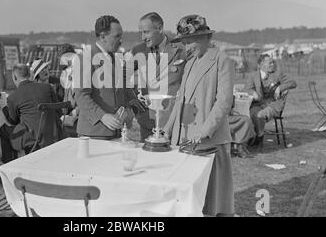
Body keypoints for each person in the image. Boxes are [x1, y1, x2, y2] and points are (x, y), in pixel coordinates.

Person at [163, 15, 234, 216]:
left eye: (188, 42)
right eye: (184, 43)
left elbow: (224, 102)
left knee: (212, 201)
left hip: (208, 142)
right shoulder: (191, 63)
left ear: (204, 38)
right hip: (183, 139)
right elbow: (180, 100)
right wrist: (166, 129)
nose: (186, 48)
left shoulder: (222, 60)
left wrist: (205, 130)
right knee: (189, 201)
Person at [128, 12, 187, 141]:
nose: (143, 37)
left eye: (146, 32)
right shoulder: (137, 50)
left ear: (160, 28)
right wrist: (133, 102)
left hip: (174, 121)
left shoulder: (181, 49)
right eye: (141, 33)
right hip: (147, 121)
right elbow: (122, 78)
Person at [74, 15, 134, 140]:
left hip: (116, 132)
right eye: (117, 36)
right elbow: (81, 96)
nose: (121, 40)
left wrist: (127, 111)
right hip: (94, 133)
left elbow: (122, 91)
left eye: (121, 36)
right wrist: (103, 116)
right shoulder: (85, 58)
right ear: (102, 37)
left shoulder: (116, 58)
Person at [0, 64, 61, 163]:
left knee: (3, 130)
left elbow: (13, 121)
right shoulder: (47, 88)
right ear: (29, 74)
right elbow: (58, 111)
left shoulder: (13, 97)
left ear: (14, 77)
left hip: (32, 138)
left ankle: (9, 163)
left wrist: (3, 106)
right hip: (53, 134)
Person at [246, 54, 297, 148]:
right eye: (270, 62)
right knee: (248, 114)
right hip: (258, 103)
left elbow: (293, 83)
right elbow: (248, 88)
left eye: (273, 62)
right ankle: (251, 137)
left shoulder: (277, 74)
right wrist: (253, 92)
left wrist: (280, 88)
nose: (273, 64)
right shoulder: (253, 76)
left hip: (273, 104)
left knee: (260, 115)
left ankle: (260, 137)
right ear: (261, 64)